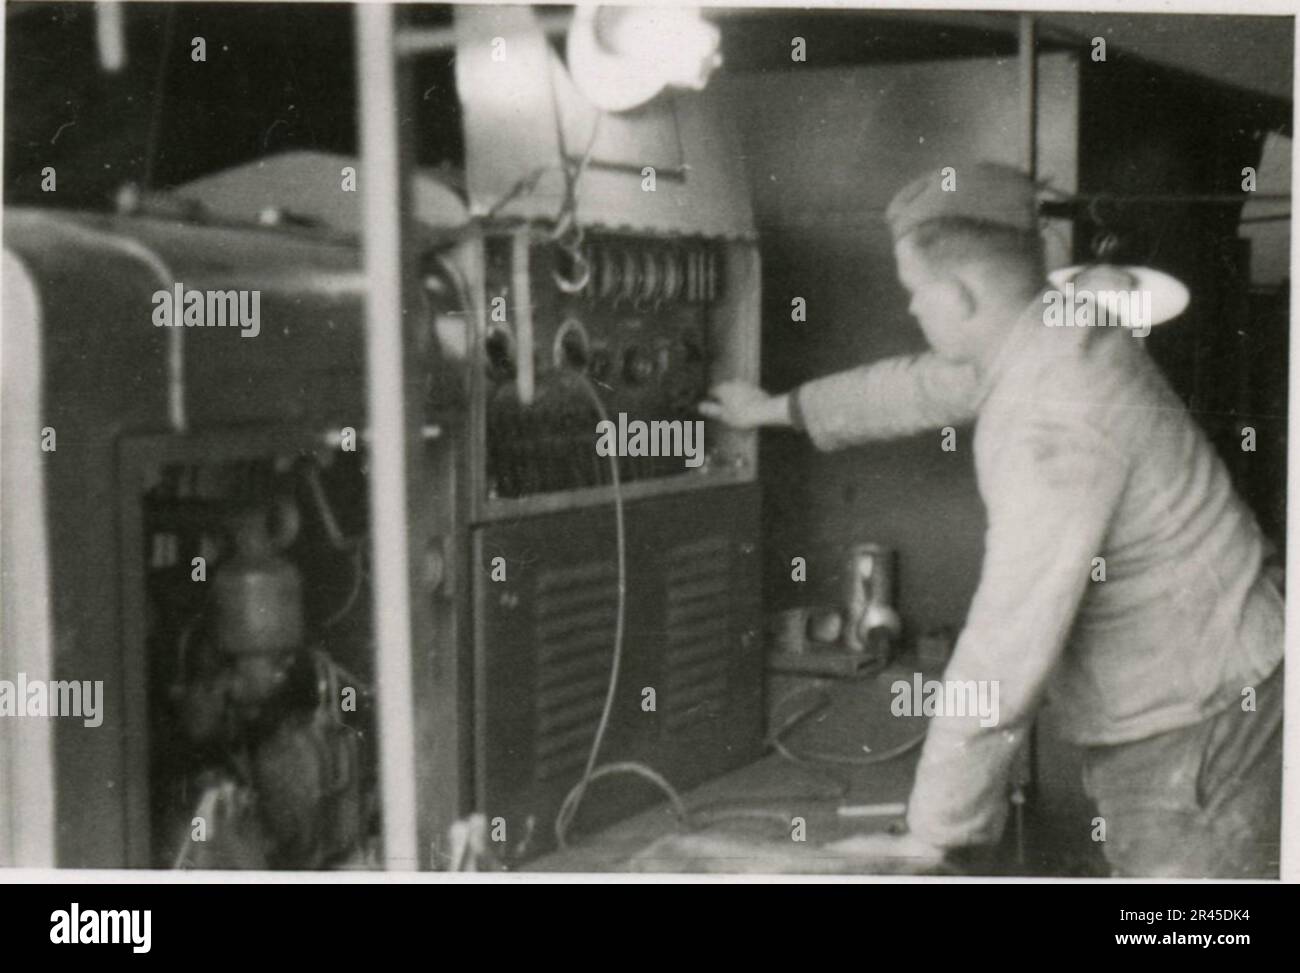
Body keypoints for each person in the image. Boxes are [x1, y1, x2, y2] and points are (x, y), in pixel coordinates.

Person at [700, 162, 1284, 878]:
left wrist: (933, 827)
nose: (913, 309)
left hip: (1196, 729)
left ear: (959, 293)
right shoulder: (1051, 334)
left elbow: (1007, 642)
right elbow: (918, 387)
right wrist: (774, 410)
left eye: (915, 292)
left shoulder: (1050, 418)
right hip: (1221, 689)